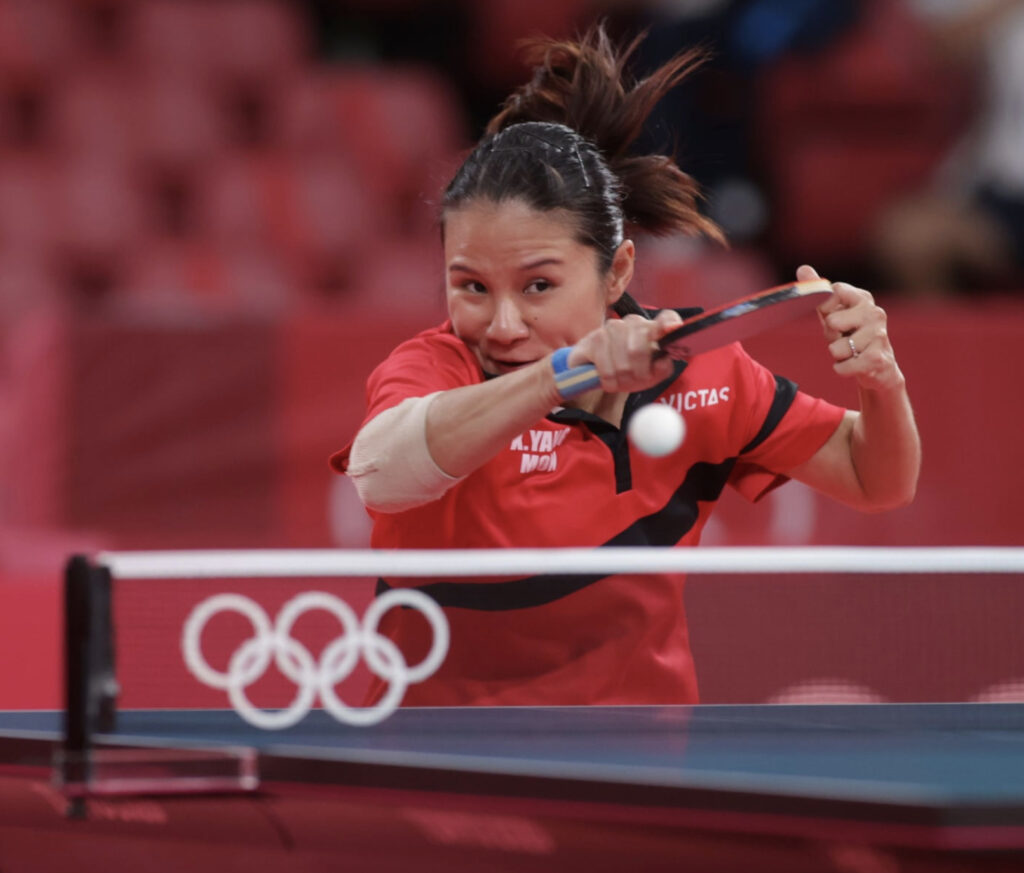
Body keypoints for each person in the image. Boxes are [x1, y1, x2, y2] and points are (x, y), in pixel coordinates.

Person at [330, 25, 920, 707]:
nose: (503, 324)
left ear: (617, 274)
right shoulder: (437, 366)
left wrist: (881, 381)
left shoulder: (707, 375)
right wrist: (565, 373)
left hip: (640, 765)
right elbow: (381, 474)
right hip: (447, 770)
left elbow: (875, 478)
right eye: (470, 287)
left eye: (538, 286)